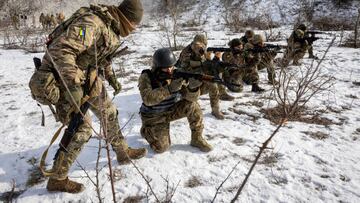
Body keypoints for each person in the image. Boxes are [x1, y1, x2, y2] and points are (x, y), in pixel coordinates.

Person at [31, 0, 147, 193]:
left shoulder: (111, 26)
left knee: (108, 112)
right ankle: (58, 178)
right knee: (81, 129)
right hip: (65, 79)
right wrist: (74, 86)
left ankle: (122, 151)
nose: (134, 29)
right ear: (126, 18)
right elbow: (62, 50)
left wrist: (111, 77)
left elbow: (100, 54)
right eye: (134, 24)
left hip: (88, 78)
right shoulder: (91, 24)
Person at [138, 48, 212, 153]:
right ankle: (146, 130)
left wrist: (193, 89)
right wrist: (169, 89)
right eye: (165, 68)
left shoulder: (177, 74)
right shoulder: (146, 77)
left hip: (170, 110)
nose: (169, 70)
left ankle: (197, 138)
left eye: (171, 67)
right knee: (162, 148)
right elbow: (147, 99)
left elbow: (190, 98)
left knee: (192, 105)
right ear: (157, 68)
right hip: (153, 116)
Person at [177, 34, 226, 119]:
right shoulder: (186, 52)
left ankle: (215, 110)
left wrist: (214, 59)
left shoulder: (202, 51)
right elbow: (184, 70)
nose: (199, 47)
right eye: (197, 45)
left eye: (202, 45)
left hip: (199, 78)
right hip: (186, 83)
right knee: (188, 100)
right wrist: (201, 64)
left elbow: (207, 66)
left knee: (213, 85)